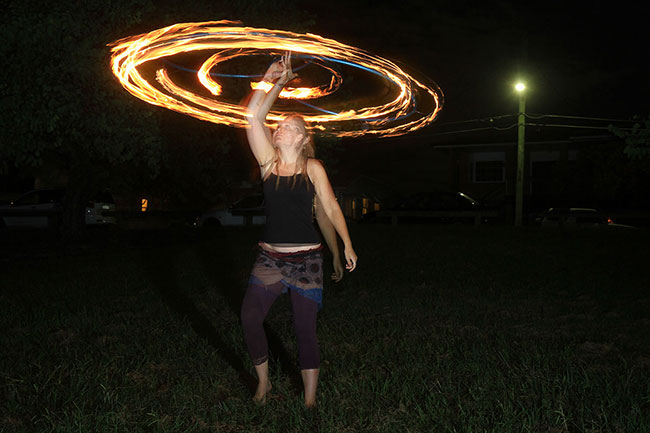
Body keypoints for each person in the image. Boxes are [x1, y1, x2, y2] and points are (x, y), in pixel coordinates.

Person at [240, 52, 358, 408]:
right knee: (249, 317)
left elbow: (332, 208)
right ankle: (264, 384)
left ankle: (309, 401)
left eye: (290, 125)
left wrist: (346, 247)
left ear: (304, 138)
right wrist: (273, 78)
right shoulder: (267, 164)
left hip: (306, 261)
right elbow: (252, 115)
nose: (280, 128)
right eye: (279, 126)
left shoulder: (313, 167)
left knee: (305, 331)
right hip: (269, 259)